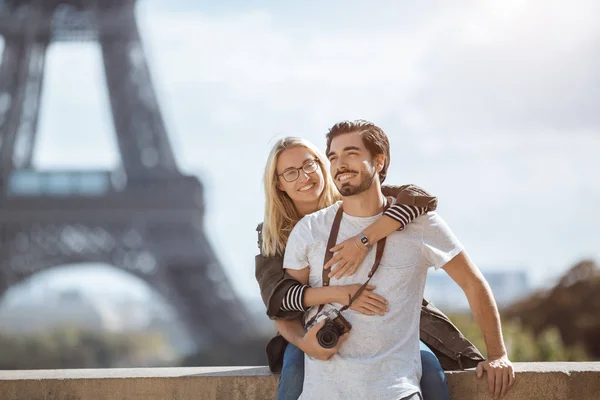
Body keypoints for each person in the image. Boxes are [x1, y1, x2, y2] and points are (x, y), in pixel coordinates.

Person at [283, 121, 515, 400]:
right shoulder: (310, 230)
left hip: (395, 391)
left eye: (352, 153)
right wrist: (304, 343)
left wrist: (498, 354)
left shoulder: (421, 225)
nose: (340, 164)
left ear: (379, 161)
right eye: (333, 157)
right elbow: (285, 305)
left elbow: (472, 283)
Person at [255, 136, 453, 400]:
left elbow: (420, 199)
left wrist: (364, 239)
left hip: (383, 322)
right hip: (312, 327)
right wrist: (308, 337)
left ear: (322, 166)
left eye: (309, 165)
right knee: (293, 370)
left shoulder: (356, 199)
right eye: (291, 172)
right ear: (279, 183)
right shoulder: (273, 235)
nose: (304, 177)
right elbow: (278, 303)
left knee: (429, 369)